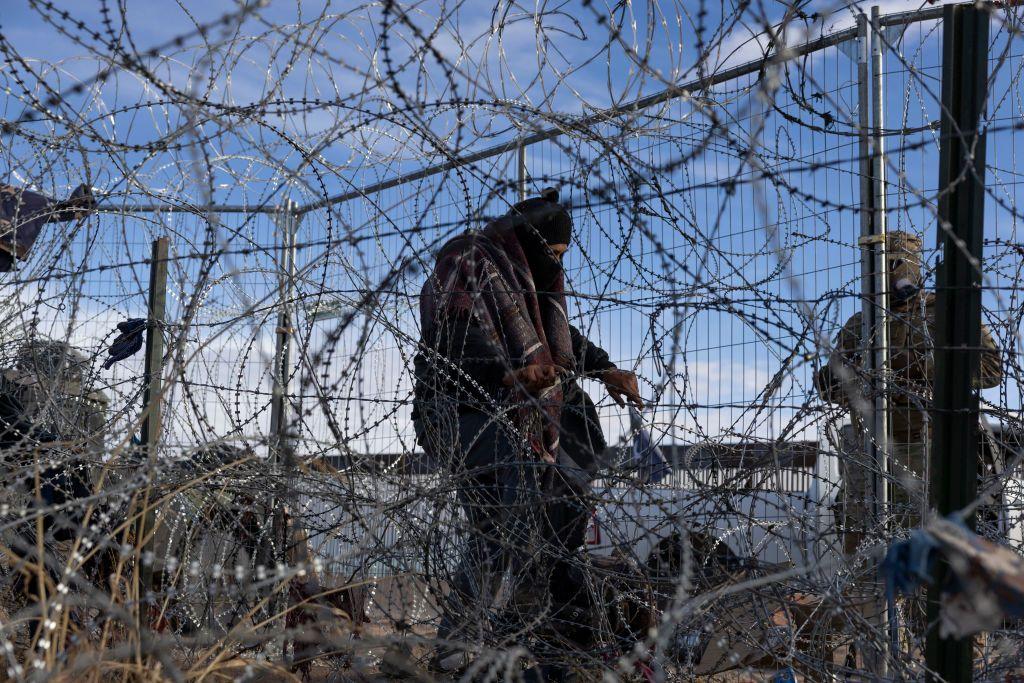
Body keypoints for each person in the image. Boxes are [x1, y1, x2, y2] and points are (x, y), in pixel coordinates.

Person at [412, 188, 643, 671]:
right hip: (458, 409)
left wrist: (604, 369)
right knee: (504, 520)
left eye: (561, 255)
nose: (557, 263)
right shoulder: (469, 259)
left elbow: (558, 340)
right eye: (553, 252)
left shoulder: (528, 278)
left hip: (507, 413)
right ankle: (468, 643)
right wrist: (505, 372)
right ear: (528, 239)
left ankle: (522, 629)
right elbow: (450, 333)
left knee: (538, 516)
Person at [815, 231, 1002, 555]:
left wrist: (923, 370)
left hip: (925, 446)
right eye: (878, 266)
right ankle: (868, 605)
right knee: (863, 553)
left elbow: (991, 372)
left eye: (896, 264)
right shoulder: (862, 323)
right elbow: (827, 387)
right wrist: (859, 378)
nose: (888, 274)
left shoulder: (945, 313)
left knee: (923, 556)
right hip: (868, 450)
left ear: (913, 267)